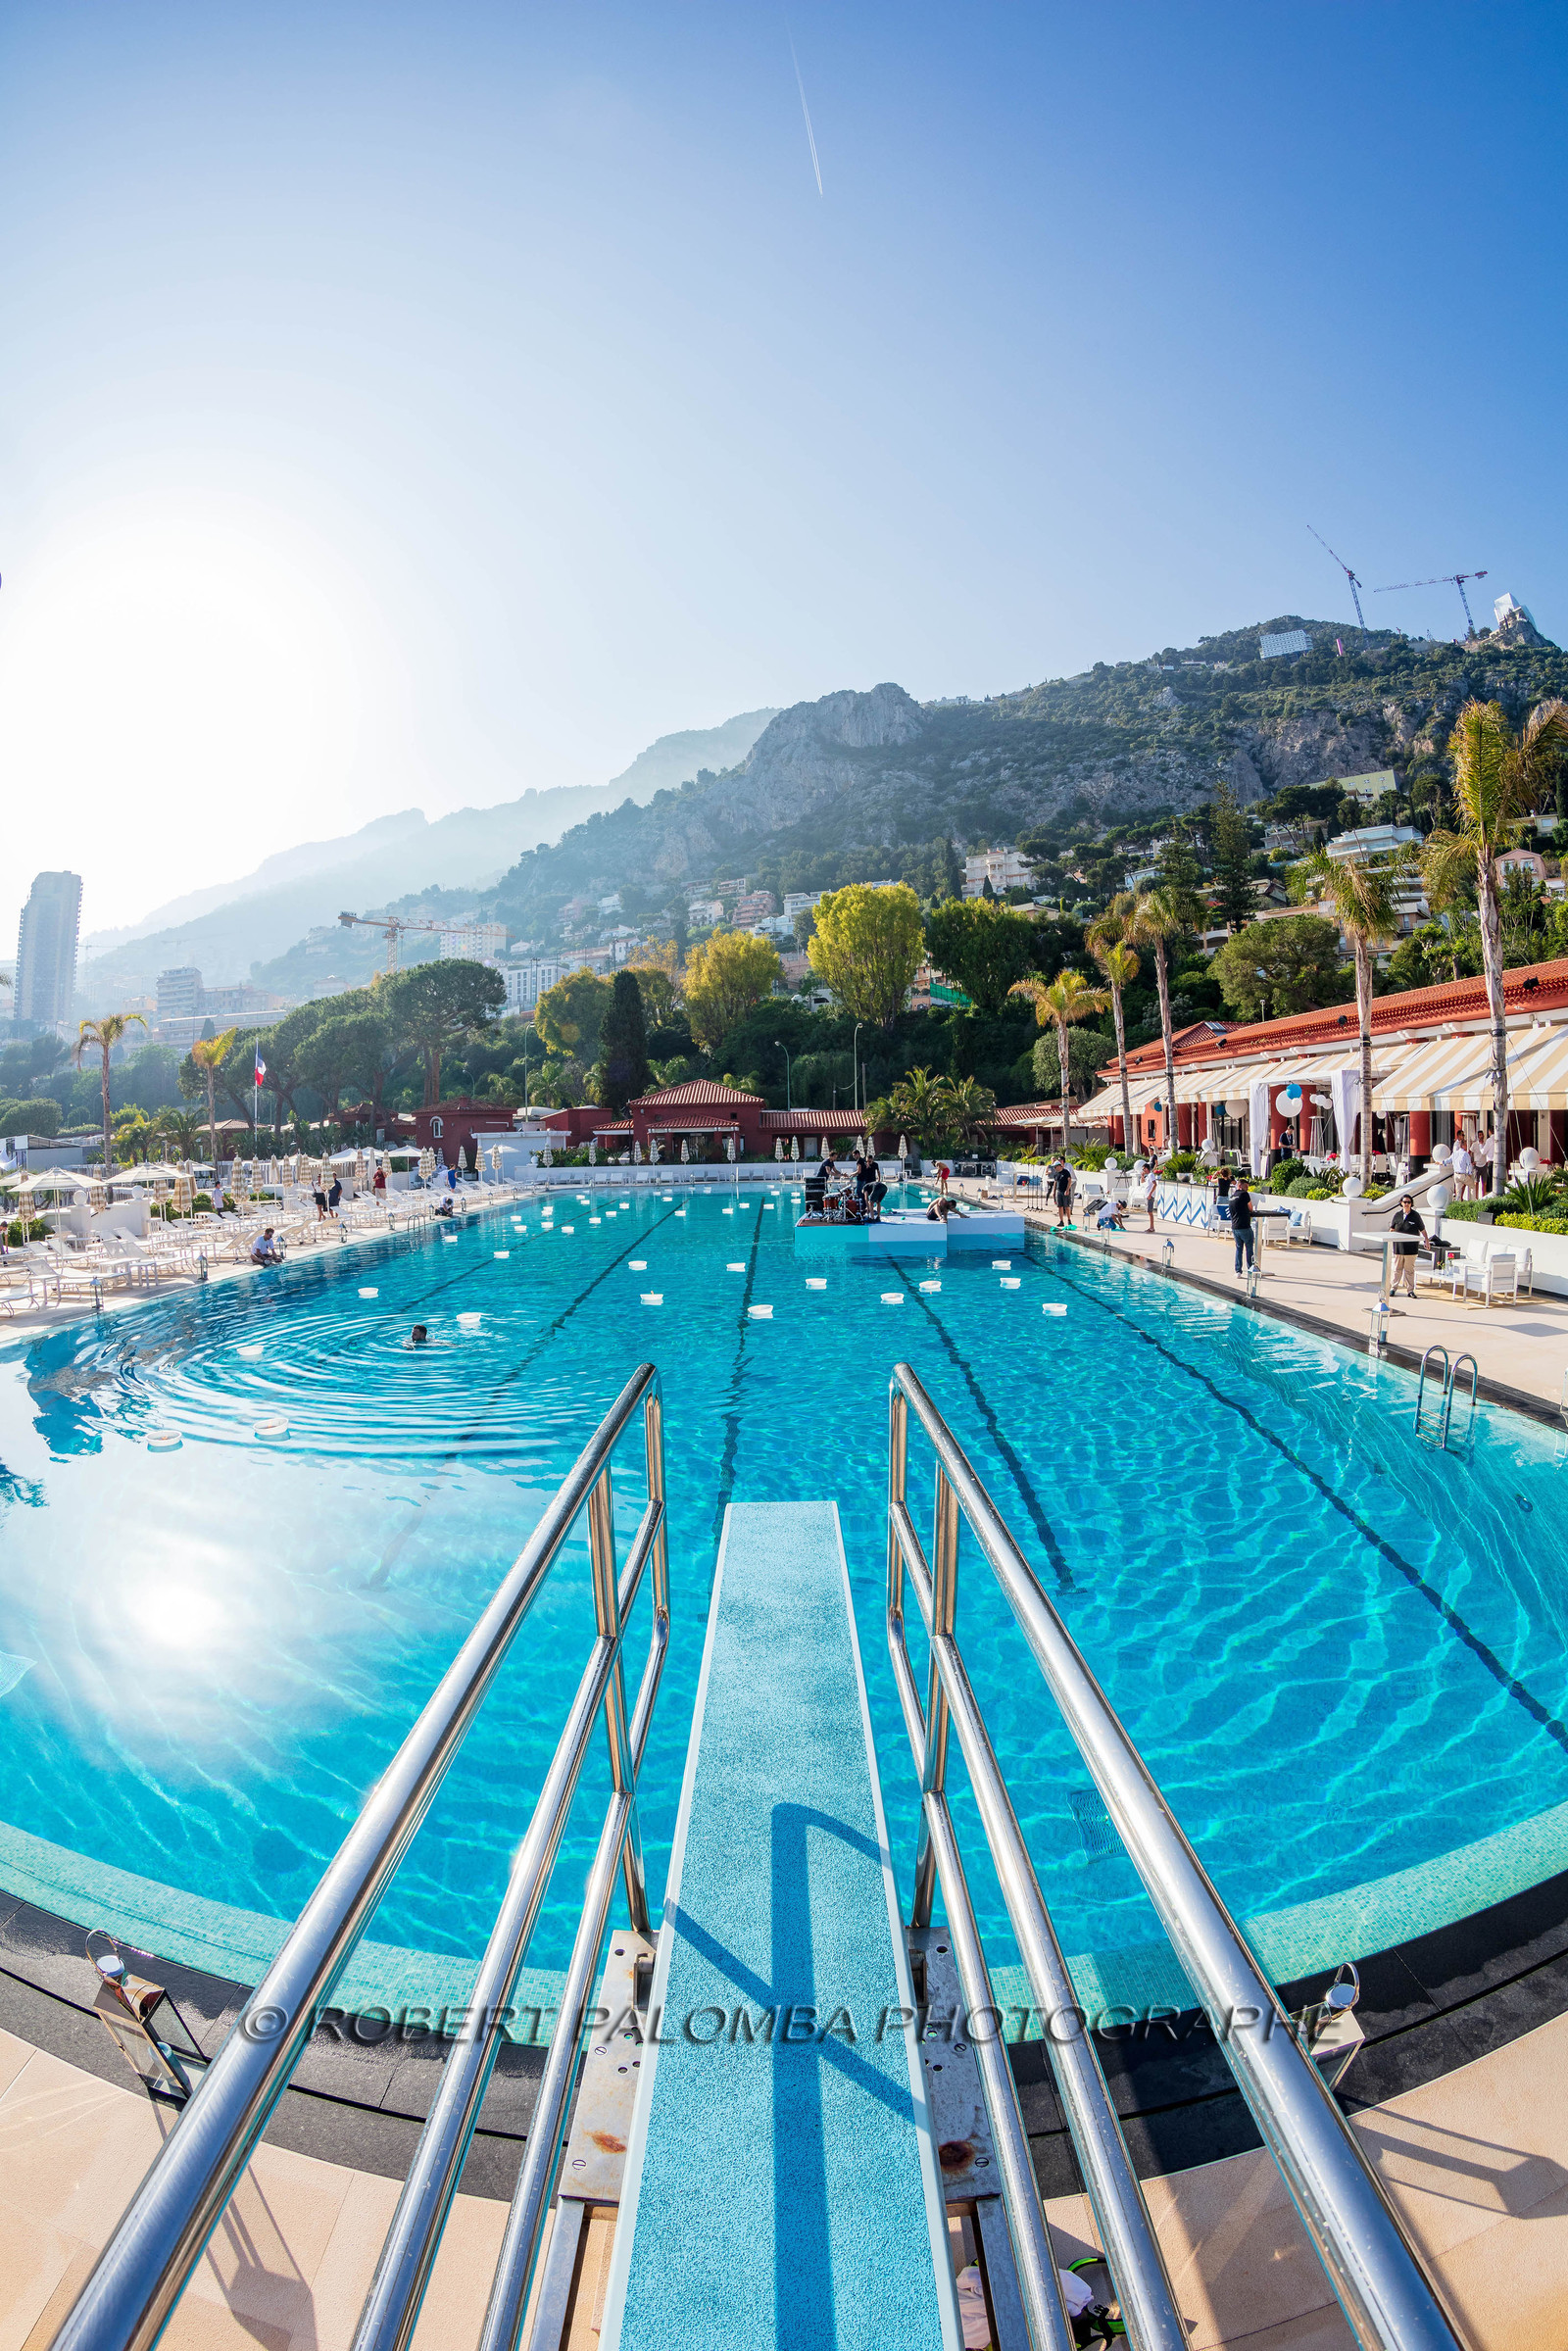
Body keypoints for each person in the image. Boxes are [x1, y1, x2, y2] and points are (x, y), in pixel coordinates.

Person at [1388, 1194, 1425, 1296]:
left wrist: (1426, 1240)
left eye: (1409, 1202)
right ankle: (1393, 1288)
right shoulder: (1397, 1215)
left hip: (1411, 1248)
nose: (1407, 1204)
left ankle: (1410, 1290)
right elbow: (1392, 1229)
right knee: (1397, 1269)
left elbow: (1422, 1229)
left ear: (1411, 1204)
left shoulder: (1415, 1216)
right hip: (1399, 1247)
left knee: (1409, 1270)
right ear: (1401, 1203)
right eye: (1405, 1202)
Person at [1229, 1175, 1254, 1278]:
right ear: (1240, 1185)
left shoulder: (1232, 1196)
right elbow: (1251, 1208)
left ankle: (1238, 1271)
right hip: (1244, 1225)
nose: (1247, 1189)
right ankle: (1251, 1269)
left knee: (1239, 1249)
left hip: (1235, 1227)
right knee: (1249, 1247)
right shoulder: (1244, 1194)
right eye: (1246, 1187)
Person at [1050, 1153, 1074, 1230]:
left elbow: (1069, 1181)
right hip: (1059, 1191)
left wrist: (1067, 1190)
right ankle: (1061, 1221)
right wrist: (1054, 1192)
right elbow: (1055, 1182)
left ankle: (1069, 1220)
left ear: (1059, 1166)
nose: (1054, 1169)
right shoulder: (1056, 1174)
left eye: (1055, 1167)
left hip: (1065, 1191)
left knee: (1067, 1206)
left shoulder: (1066, 1172)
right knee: (1060, 1206)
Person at [1450, 1136, 1475, 1201]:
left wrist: (1442, 1162)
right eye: (1466, 1144)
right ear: (1463, 1145)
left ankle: (1458, 1204)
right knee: (1472, 1186)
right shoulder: (1465, 1154)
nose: (1467, 1146)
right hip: (1462, 1175)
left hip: (1456, 1175)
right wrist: (1469, 1173)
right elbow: (1469, 1164)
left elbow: (1448, 1160)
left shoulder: (1455, 1153)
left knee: (1458, 1192)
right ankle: (1473, 1201)